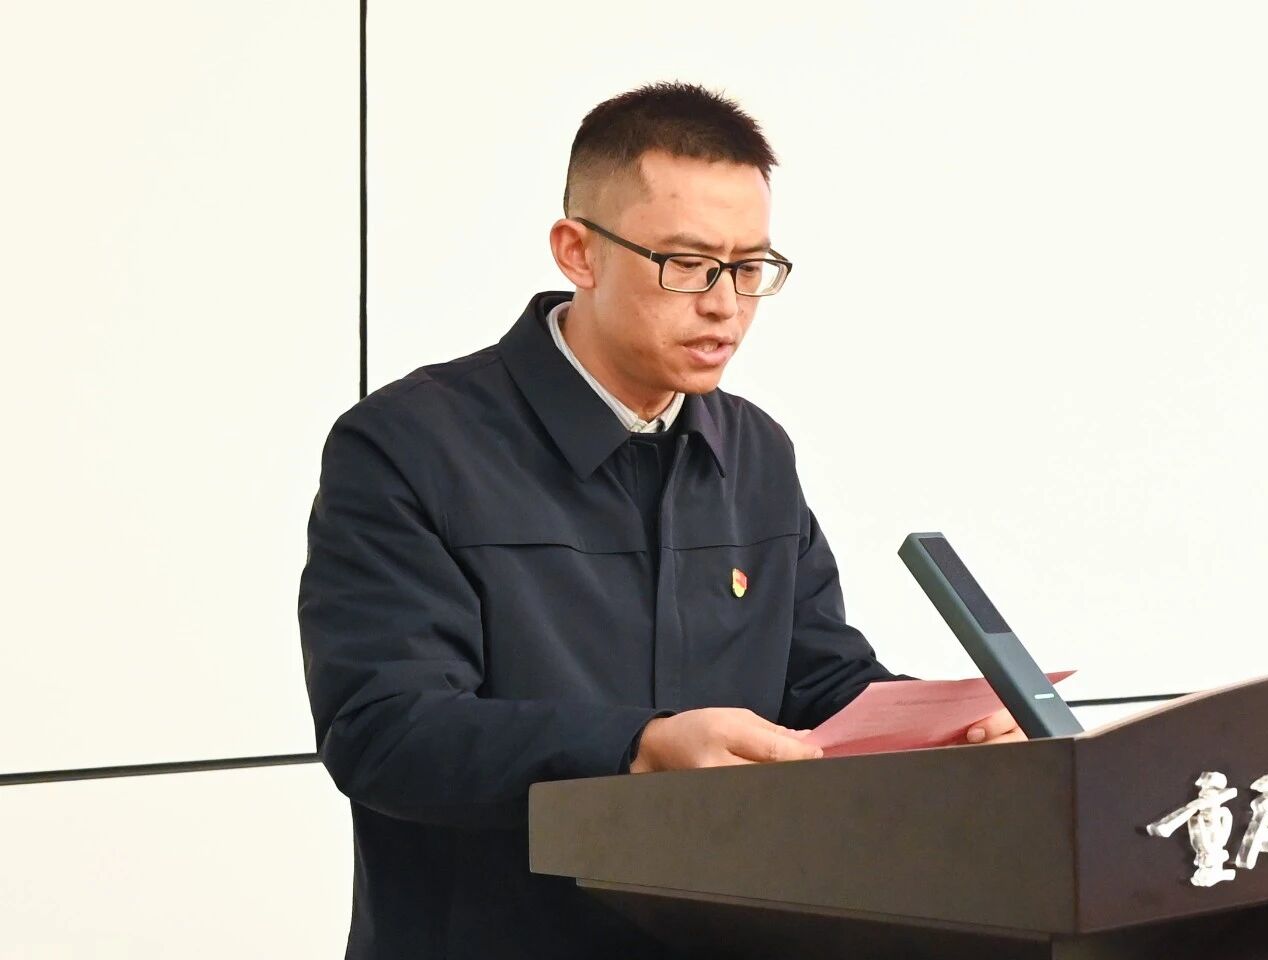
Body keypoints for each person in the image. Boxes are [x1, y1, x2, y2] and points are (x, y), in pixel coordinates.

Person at [298, 80, 1025, 960]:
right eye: (687, 264)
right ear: (578, 252)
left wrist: (946, 734)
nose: (724, 304)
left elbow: (816, 683)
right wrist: (637, 748)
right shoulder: (410, 445)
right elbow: (384, 731)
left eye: (750, 268)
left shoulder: (754, 451)